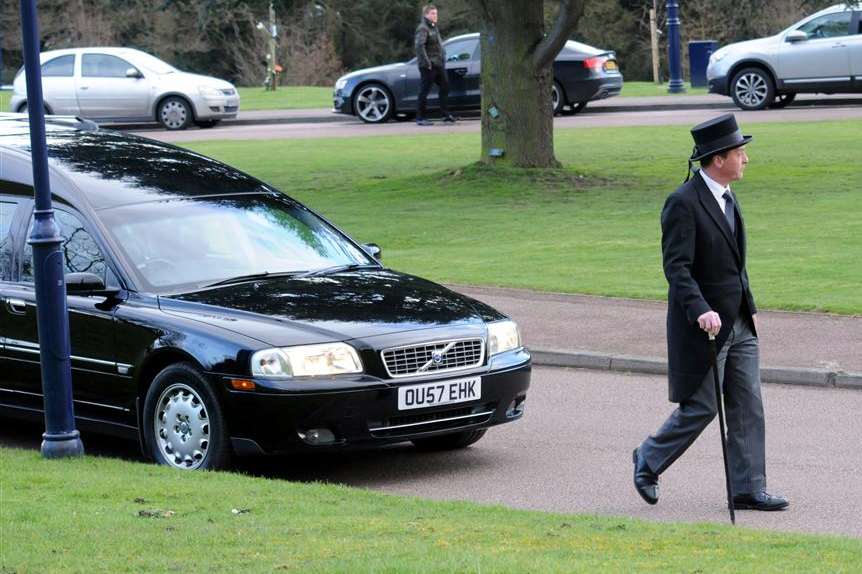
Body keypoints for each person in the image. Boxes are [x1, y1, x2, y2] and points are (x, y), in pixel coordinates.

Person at [632, 113, 788, 512]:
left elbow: (735, 263)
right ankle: (648, 458)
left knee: (748, 402)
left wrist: (748, 307)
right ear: (718, 159)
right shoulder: (682, 203)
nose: (746, 160)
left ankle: (748, 487)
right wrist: (700, 309)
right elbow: (677, 268)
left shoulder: (728, 197)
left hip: (739, 321)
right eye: (740, 153)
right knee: (702, 407)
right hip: (705, 327)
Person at [414, 4, 456, 126]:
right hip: (428, 66)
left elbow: (438, 45)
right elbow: (419, 46)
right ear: (426, 15)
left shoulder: (434, 27)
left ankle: (445, 115)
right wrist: (427, 63)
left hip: (438, 64)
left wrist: (443, 58)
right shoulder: (423, 28)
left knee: (445, 86)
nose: (435, 15)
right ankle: (420, 118)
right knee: (424, 91)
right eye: (433, 13)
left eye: (436, 13)